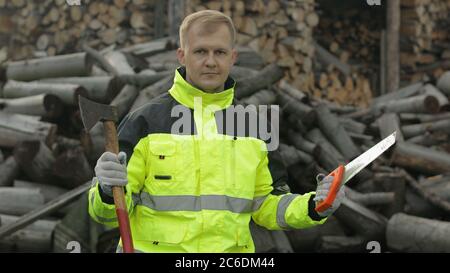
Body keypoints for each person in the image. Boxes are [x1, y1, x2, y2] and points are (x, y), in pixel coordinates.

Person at [88, 9, 345, 253]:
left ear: (233, 58)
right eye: (200, 51)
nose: (210, 62)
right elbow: (107, 214)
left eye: (219, 52)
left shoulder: (253, 128)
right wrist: (106, 191)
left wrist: (314, 207)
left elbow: (268, 205)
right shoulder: (145, 122)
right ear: (182, 55)